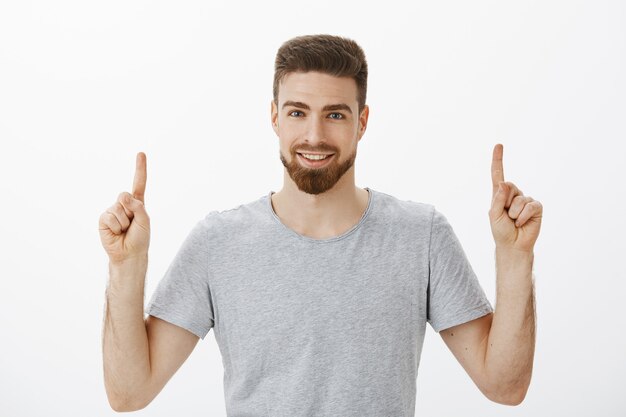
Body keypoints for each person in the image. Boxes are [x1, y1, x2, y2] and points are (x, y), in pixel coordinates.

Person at [99, 34, 542, 415]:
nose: (314, 135)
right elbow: (128, 394)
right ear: (274, 117)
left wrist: (515, 256)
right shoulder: (219, 242)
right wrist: (126, 265)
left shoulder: (420, 235)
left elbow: (504, 386)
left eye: (335, 114)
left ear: (362, 122)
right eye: (296, 112)